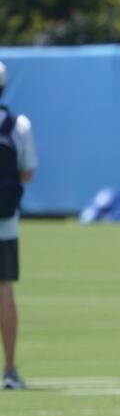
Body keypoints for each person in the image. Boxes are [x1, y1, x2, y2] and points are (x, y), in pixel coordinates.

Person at [0, 61, 36, 391]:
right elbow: (28, 172)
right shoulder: (17, 125)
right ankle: (9, 369)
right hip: (5, 222)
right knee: (5, 289)